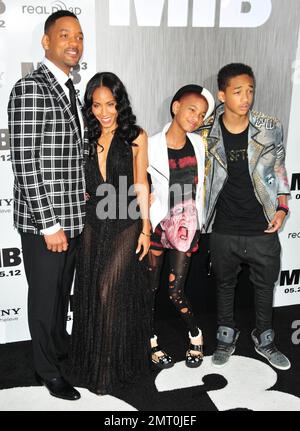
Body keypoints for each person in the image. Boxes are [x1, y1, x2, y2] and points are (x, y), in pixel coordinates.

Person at [7, 10, 85, 400]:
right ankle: (46, 371)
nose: (74, 43)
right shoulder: (30, 88)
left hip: (71, 217)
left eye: (80, 36)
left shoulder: (71, 87)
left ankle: (56, 350)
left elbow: (67, 155)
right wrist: (49, 224)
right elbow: (25, 161)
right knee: (43, 298)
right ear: (46, 41)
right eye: (65, 35)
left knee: (59, 297)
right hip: (47, 223)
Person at [201, 63, 291, 370]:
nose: (246, 97)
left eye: (250, 90)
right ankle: (226, 336)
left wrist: (282, 208)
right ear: (222, 95)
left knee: (265, 287)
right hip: (224, 226)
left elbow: (279, 167)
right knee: (224, 285)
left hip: (262, 226)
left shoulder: (269, 126)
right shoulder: (205, 132)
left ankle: (265, 339)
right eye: (238, 91)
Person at [69, 72, 152, 395]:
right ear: (89, 106)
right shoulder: (84, 136)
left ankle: (107, 370)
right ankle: (91, 363)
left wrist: (145, 228)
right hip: (93, 220)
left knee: (107, 290)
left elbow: (141, 183)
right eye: (97, 104)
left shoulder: (136, 136)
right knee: (90, 292)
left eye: (111, 104)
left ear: (120, 104)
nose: (104, 111)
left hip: (126, 219)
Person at [147, 84, 215, 369]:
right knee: (148, 289)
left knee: (175, 291)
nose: (196, 118)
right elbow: (135, 180)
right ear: (175, 107)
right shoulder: (149, 145)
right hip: (156, 227)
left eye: (201, 115)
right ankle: (150, 341)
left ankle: (195, 335)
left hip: (186, 228)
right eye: (191, 110)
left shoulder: (200, 144)